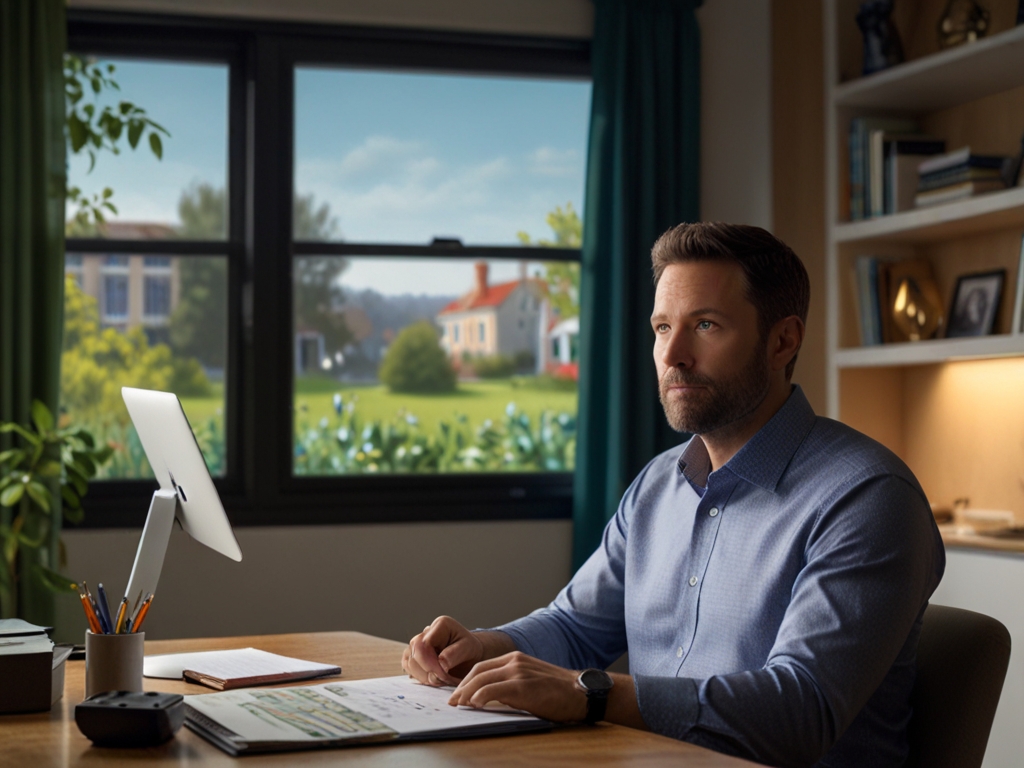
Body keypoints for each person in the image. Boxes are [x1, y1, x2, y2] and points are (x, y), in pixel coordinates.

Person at [402, 222, 945, 768]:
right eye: (663, 327)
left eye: (705, 325)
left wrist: (589, 694)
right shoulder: (657, 485)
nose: (673, 355)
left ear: (783, 341)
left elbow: (800, 712)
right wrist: (481, 648)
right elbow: (573, 627)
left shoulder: (869, 498)